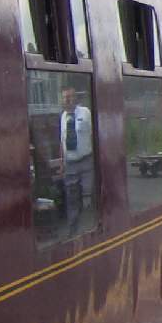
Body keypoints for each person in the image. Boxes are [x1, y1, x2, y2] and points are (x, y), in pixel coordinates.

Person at [57, 87, 94, 235]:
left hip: (85, 161)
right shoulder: (63, 117)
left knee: (87, 194)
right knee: (71, 197)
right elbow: (62, 141)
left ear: (75, 98)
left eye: (70, 97)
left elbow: (93, 134)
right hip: (70, 163)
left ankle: (90, 229)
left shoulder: (85, 112)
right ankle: (73, 230)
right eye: (65, 98)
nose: (67, 100)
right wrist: (62, 162)